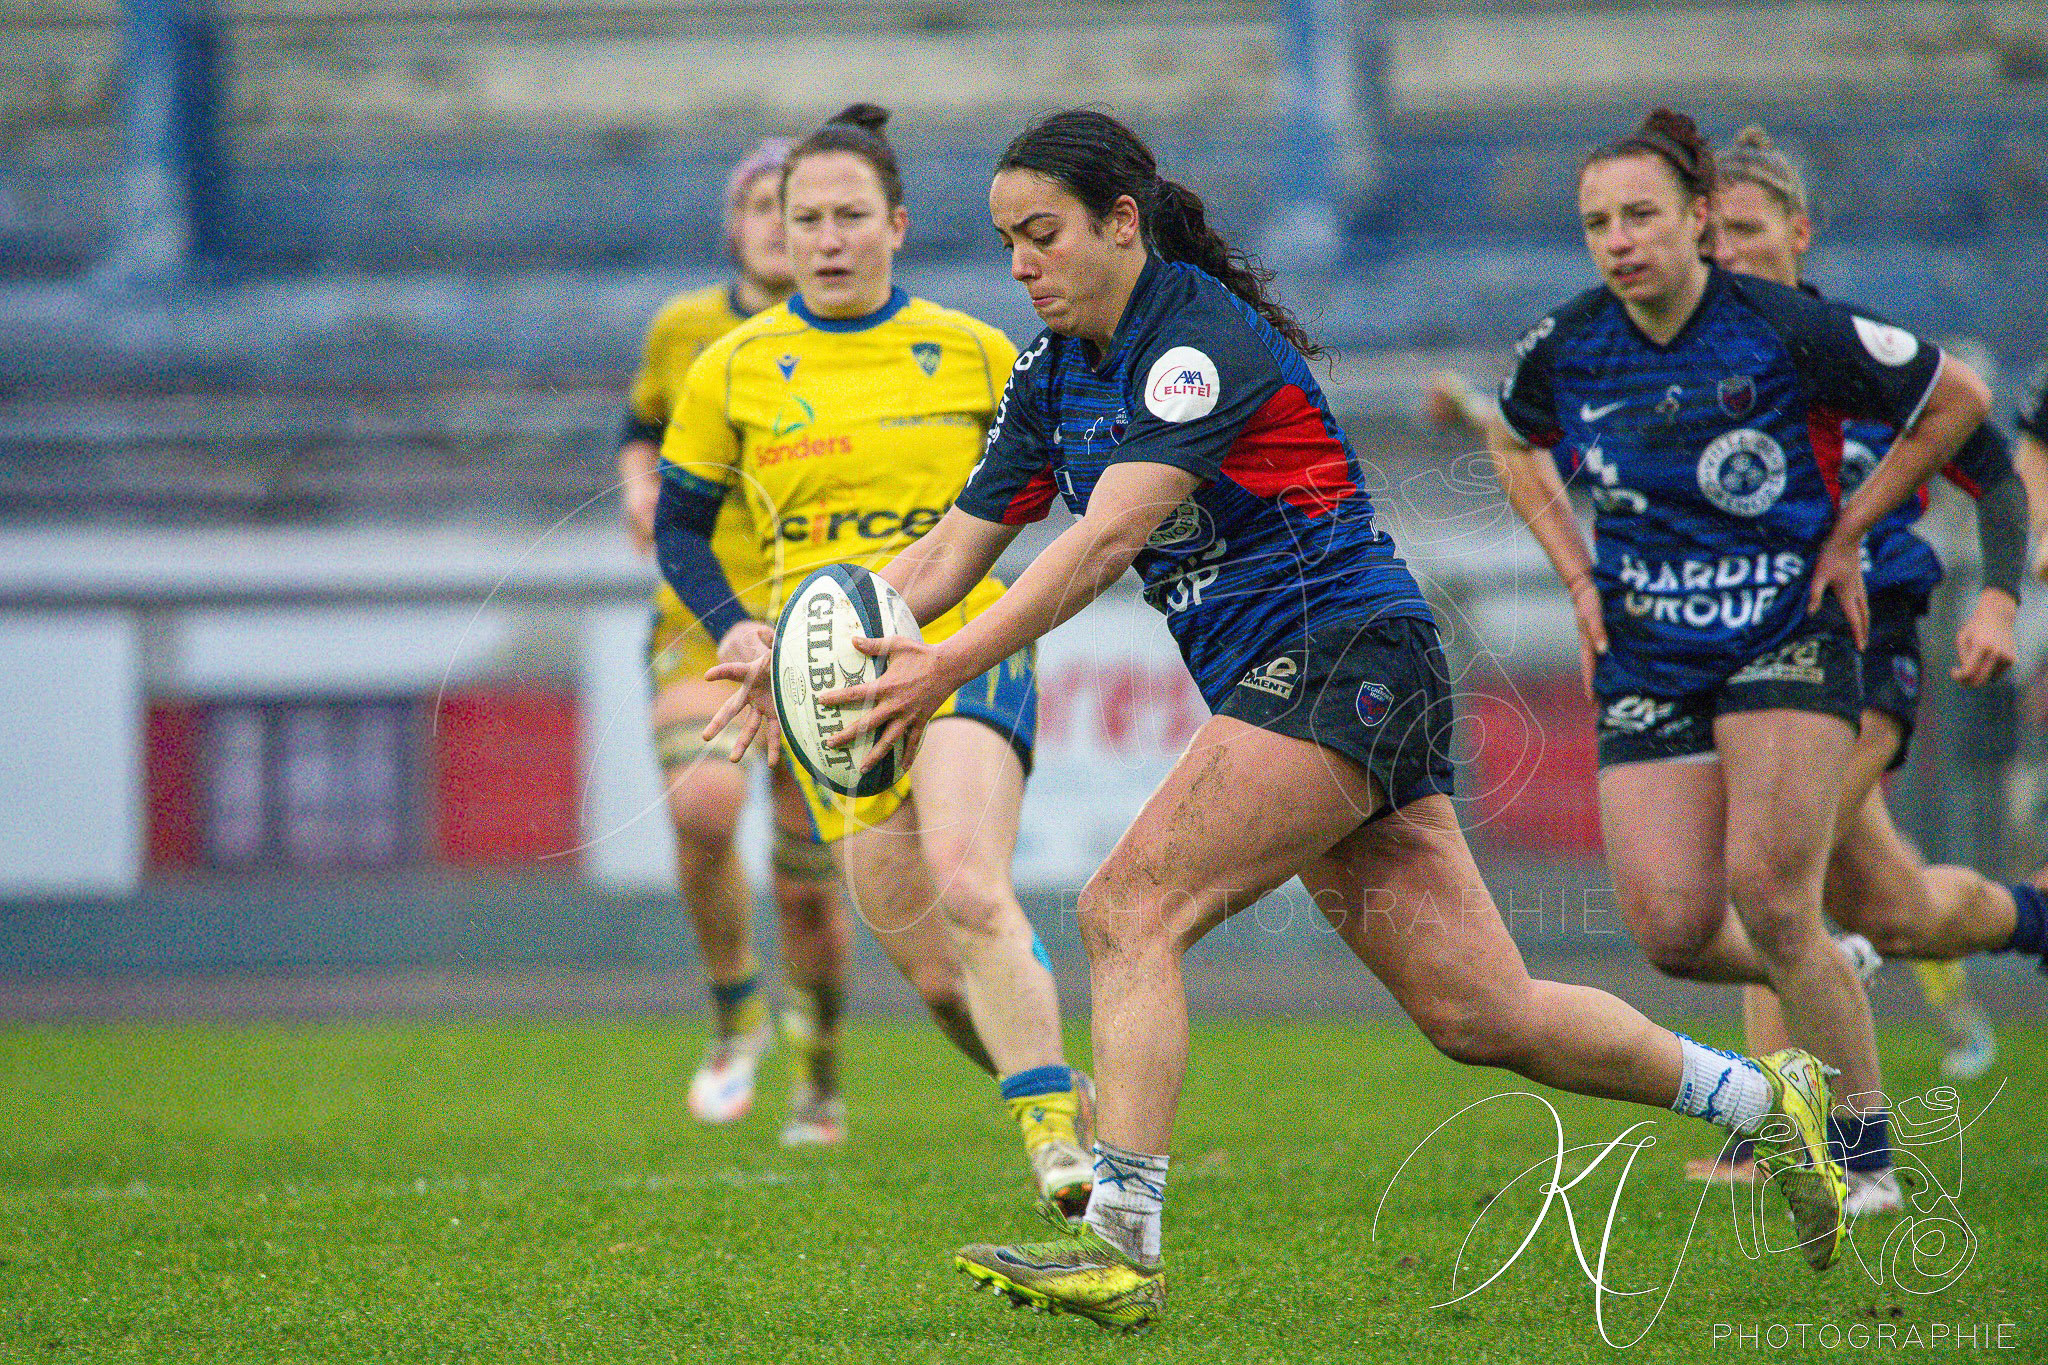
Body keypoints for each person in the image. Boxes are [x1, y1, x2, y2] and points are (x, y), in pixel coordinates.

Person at [712, 107, 1860, 1332]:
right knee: (1484, 1015)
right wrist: (810, 644)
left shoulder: (1193, 343)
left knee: (1125, 908)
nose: (1018, 266)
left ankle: (1121, 1243)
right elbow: (950, 546)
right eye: (1005, 243)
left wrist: (935, 670)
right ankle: (1757, 1097)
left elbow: (1103, 540)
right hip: (1319, 681)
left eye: (1040, 235)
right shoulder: (1053, 374)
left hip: (1340, 660)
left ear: (1120, 222)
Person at [1489, 108, 1999, 1232]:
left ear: (1698, 220)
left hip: (1784, 636)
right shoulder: (1566, 345)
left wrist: (1849, 528)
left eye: (1638, 216)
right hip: (1647, 652)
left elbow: (1955, 401)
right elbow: (1507, 434)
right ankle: (1830, 959)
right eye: (1594, 224)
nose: (1617, 241)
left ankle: (1864, 1159)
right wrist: (1577, 580)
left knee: (1770, 895)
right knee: (1671, 931)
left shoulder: (1779, 327)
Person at [660, 103, 1095, 1210]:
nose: (826, 238)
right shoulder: (733, 367)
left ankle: (1059, 1154)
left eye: (851, 215)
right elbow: (677, 527)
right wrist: (735, 627)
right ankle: (1078, 1104)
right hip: (820, 685)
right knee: (940, 979)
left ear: (896, 224)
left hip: (958, 647)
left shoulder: (976, 350)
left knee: (964, 881)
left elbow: (1067, 488)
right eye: (804, 218)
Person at [1699, 126, 2036, 1140]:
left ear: (1798, 233)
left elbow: (1989, 464)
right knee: (1890, 909)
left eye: (1745, 231)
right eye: (1707, 236)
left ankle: (1790, 1131)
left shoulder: (1861, 350)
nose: (1724, 254)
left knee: (1765, 875)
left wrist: (1997, 599)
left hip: (1865, 637)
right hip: (1749, 656)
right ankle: (2033, 916)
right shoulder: (1688, 375)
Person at [617, 137, 856, 1145]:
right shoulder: (685, 329)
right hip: (702, 624)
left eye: (793, 204)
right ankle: (733, 1016)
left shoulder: (857, 337)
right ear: (736, 224)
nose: (776, 221)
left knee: (810, 896)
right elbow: (638, 421)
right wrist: (638, 481)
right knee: (704, 806)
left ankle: (821, 1067)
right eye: (761, 204)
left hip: (818, 635)